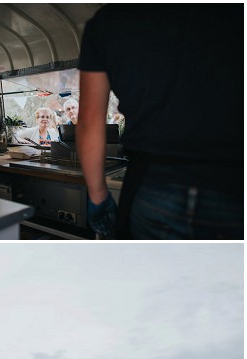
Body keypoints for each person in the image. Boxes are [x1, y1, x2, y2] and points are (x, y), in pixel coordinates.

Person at [76, 5, 243, 239]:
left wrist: (97, 195)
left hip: (154, 182)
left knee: (159, 274)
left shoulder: (110, 20)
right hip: (235, 179)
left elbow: (89, 122)